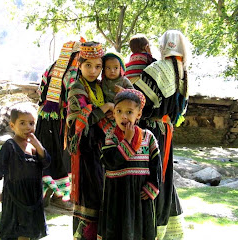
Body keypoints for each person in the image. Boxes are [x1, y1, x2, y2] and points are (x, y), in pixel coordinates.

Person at [135, 29, 190, 240]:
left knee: (149, 176)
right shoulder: (184, 73)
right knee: (164, 176)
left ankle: (149, 226)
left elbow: (136, 100)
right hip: (167, 131)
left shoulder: (156, 69)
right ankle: (164, 228)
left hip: (150, 132)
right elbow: (180, 111)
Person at [97, 89, 162, 240]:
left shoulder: (148, 137)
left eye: (129, 112)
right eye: (119, 111)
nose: (123, 116)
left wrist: (152, 186)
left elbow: (156, 166)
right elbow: (110, 162)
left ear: (138, 114)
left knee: (139, 230)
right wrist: (127, 141)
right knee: (116, 230)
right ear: (113, 113)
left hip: (140, 194)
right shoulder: (111, 137)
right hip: (116, 193)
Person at [66, 41, 115, 240]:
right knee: (90, 196)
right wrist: (105, 108)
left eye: (98, 66)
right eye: (88, 65)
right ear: (79, 65)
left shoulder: (100, 87)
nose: (93, 70)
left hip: (101, 149)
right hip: (86, 152)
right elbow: (81, 121)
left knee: (102, 195)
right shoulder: (76, 88)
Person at [0, 102, 51, 240]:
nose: (27, 127)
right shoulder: (9, 145)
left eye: (31, 123)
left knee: (30, 231)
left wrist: (37, 144)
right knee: (18, 231)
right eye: (22, 123)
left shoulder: (34, 147)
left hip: (33, 195)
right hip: (15, 195)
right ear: (12, 126)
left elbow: (46, 162)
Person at [35, 40, 83, 209]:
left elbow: (41, 93)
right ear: (75, 56)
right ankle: (59, 196)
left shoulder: (50, 69)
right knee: (62, 158)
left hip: (44, 120)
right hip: (61, 123)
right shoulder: (74, 74)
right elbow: (74, 99)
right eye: (80, 56)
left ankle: (42, 196)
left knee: (45, 156)